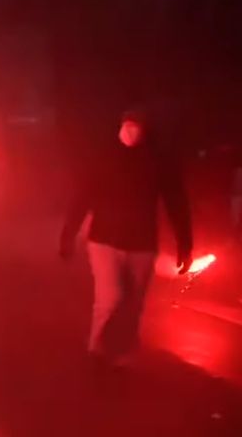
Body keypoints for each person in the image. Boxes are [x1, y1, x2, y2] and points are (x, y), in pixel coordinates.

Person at [60, 110, 193, 368]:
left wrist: (185, 243)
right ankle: (97, 346)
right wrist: (68, 235)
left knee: (134, 302)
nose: (131, 131)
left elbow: (176, 202)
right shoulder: (103, 157)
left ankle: (123, 350)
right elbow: (81, 198)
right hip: (104, 240)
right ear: (120, 126)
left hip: (142, 244)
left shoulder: (157, 161)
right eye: (127, 125)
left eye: (137, 126)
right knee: (110, 297)